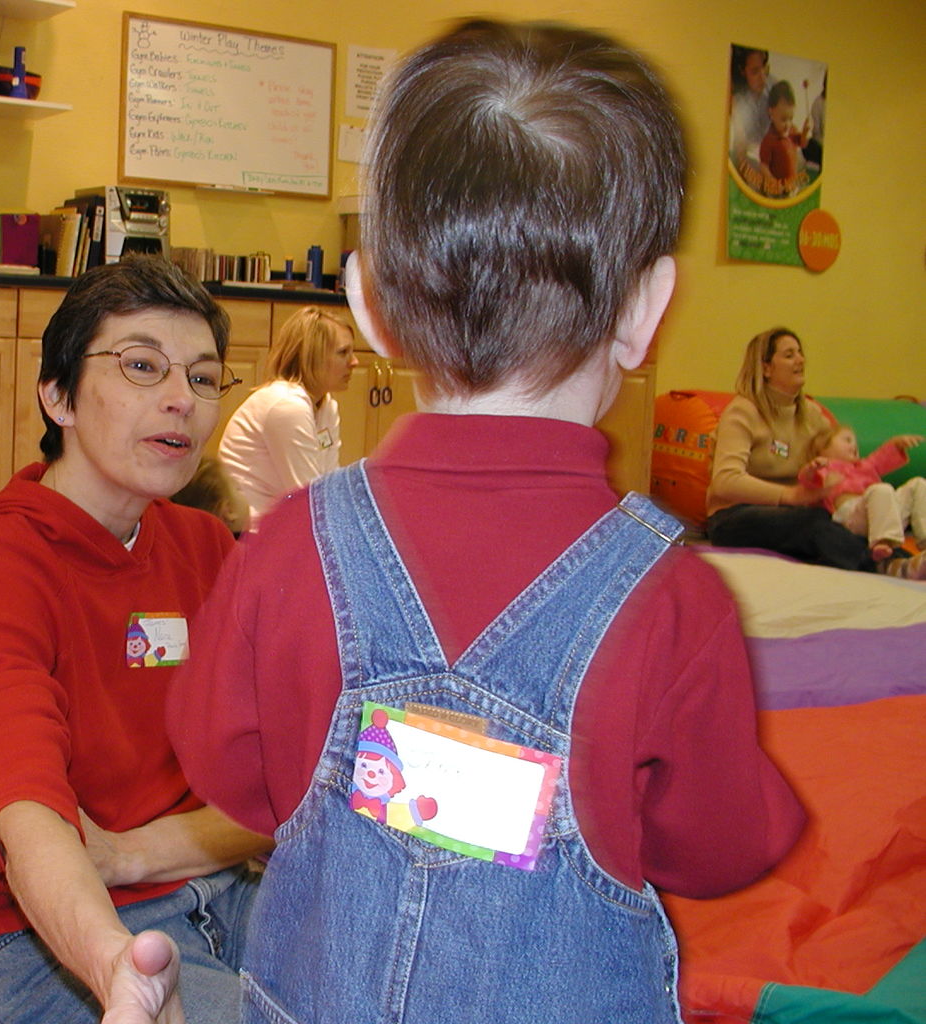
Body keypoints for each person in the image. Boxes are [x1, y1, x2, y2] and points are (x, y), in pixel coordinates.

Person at [164, 19, 805, 1024]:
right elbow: (719, 843)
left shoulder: (286, 549)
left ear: (368, 305)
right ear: (648, 310)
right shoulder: (675, 598)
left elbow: (227, 773)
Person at [0, 256, 270, 1024]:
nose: (181, 401)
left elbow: (286, 771)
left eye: (203, 379)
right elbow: (22, 797)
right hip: (54, 939)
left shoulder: (203, 546)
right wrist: (114, 968)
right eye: (141, 366)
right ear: (59, 395)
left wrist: (135, 851)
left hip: (228, 889)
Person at [706, 327, 918, 576]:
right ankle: (885, 567)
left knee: (844, 519)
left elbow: (844, 465)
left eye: (800, 353)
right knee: (813, 522)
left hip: (793, 508)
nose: (800, 360)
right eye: (789, 355)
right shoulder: (742, 412)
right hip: (735, 515)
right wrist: (791, 495)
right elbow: (725, 481)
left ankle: (904, 561)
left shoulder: (812, 415)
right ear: (765, 368)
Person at [217, 306, 359, 525]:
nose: (355, 362)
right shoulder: (286, 405)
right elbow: (308, 498)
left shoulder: (326, 405)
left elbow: (327, 483)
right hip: (246, 531)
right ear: (313, 357)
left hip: (277, 525)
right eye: (343, 353)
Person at [798, 424, 926, 576]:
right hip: (854, 515)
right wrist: (812, 469)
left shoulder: (864, 466)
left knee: (918, 484)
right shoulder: (827, 467)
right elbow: (808, 482)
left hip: (883, 513)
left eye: (855, 442)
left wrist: (897, 444)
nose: (854, 445)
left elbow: (881, 457)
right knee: (881, 489)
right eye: (847, 440)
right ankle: (883, 542)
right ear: (822, 447)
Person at [758, 80, 810, 194]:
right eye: (783, 119)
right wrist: (772, 182)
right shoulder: (768, 140)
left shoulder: (792, 130)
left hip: (790, 185)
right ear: (771, 113)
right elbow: (763, 166)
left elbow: (803, 144)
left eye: (791, 118)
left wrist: (805, 132)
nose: (788, 124)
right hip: (775, 189)